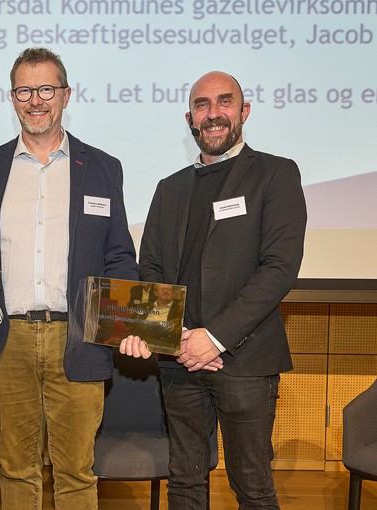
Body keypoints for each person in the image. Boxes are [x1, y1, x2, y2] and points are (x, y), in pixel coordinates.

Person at [0, 47, 139, 509]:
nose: (35, 100)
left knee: (77, 473)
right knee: (17, 469)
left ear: (66, 95)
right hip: (7, 340)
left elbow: (120, 257)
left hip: (79, 337)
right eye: (24, 91)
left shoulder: (103, 168)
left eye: (46, 89)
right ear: (12, 98)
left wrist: (125, 325)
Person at [121, 71, 307, 508]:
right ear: (190, 118)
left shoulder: (275, 174)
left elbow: (279, 269)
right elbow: (150, 268)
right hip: (180, 360)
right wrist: (173, 336)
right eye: (202, 105)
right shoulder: (169, 188)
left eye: (225, 102)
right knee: (184, 484)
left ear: (244, 111)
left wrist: (215, 337)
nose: (213, 113)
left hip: (245, 361)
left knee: (252, 488)